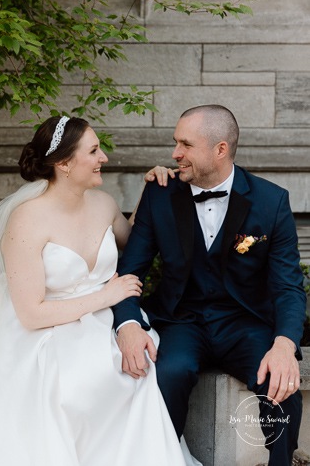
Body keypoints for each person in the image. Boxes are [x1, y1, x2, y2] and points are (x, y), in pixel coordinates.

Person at [0, 116, 197, 465]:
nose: (104, 157)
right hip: (47, 330)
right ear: (64, 164)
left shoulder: (103, 204)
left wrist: (152, 192)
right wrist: (106, 295)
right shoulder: (26, 220)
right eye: (93, 150)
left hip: (103, 322)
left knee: (141, 360)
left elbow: (136, 243)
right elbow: (31, 313)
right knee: (80, 380)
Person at [113, 104, 306, 466]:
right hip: (181, 320)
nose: (175, 154)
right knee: (169, 373)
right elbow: (129, 272)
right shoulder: (160, 193)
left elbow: (288, 287)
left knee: (282, 387)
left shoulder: (271, 201)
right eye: (175, 143)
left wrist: (283, 344)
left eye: (185, 144)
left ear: (220, 149)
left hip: (244, 324)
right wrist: (128, 324)